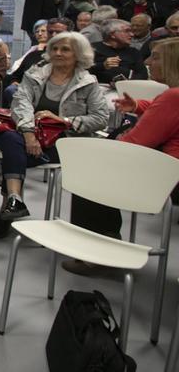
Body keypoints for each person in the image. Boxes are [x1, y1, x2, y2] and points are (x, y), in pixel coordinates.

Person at [64, 38, 179, 275]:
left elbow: (135, 144)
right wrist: (138, 106)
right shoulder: (171, 96)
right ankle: (104, 238)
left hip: (168, 176)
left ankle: (95, 252)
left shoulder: (173, 97)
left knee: (89, 170)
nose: (148, 61)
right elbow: (162, 110)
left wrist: (107, 146)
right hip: (170, 169)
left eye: (155, 57)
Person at [0, 32, 109, 239]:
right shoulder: (35, 74)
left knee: (11, 151)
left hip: (63, 142)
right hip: (27, 136)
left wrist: (65, 121)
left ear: (78, 54)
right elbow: (20, 104)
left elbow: (100, 118)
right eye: (54, 48)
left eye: (65, 49)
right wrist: (28, 134)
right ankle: (14, 199)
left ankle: (8, 210)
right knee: (9, 138)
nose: (58, 53)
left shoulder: (88, 83)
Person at [3, 19, 49, 106]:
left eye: (43, 31)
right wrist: (15, 81)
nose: (39, 34)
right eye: (37, 31)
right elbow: (17, 70)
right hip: (23, 84)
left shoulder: (50, 52)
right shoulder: (32, 51)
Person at [90, 19, 148, 84]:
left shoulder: (133, 52)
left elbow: (143, 75)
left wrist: (126, 80)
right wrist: (103, 65)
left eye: (131, 31)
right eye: (127, 31)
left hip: (128, 87)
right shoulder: (93, 49)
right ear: (112, 34)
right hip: (99, 87)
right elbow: (83, 71)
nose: (132, 34)